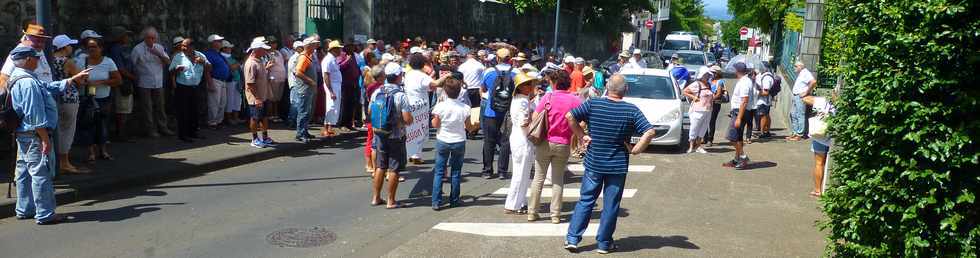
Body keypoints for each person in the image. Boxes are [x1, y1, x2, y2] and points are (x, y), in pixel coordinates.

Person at [563, 74, 657, 254]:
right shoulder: (631, 110)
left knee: (586, 200)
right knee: (611, 204)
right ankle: (604, 243)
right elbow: (650, 132)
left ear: (607, 86)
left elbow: (570, 116)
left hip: (594, 162)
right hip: (617, 165)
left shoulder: (593, 104)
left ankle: (573, 238)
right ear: (626, 90)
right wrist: (636, 150)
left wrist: (582, 136)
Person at [9, 46, 91, 225]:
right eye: (36, 58)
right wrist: (45, 138)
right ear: (29, 60)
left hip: (23, 133)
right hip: (34, 134)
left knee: (23, 172)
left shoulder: (18, 77)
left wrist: (72, 79)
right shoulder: (28, 82)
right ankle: (46, 213)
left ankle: (25, 209)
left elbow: (47, 87)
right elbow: (34, 114)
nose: (38, 61)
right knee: (40, 172)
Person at [527, 70, 580, 223]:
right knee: (558, 180)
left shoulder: (548, 96)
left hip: (544, 141)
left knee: (539, 178)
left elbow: (536, 116)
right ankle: (555, 214)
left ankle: (532, 212)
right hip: (563, 143)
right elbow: (582, 119)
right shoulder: (574, 100)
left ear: (554, 82)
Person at [369, 62, 413, 209]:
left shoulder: (377, 92)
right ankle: (391, 200)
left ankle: (376, 198)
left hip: (380, 133)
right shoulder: (401, 96)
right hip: (396, 136)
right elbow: (407, 119)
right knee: (394, 168)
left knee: (380, 166)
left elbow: (370, 112)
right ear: (398, 76)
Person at [430, 77, 474, 210]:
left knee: (439, 172)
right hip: (459, 140)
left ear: (445, 91)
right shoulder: (465, 108)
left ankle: (436, 201)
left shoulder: (440, 106)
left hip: (443, 139)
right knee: (456, 172)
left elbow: (435, 124)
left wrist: (435, 121)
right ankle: (454, 199)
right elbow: (469, 127)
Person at [77, 37, 122, 164]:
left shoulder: (108, 62)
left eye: (94, 47)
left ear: (101, 48)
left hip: (103, 99)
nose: (91, 49)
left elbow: (118, 80)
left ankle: (103, 150)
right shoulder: (81, 61)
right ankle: (91, 152)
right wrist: (83, 82)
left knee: (102, 125)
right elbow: (74, 78)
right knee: (87, 125)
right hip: (86, 99)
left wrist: (101, 82)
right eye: (89, 47)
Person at [49, 35, 90, 174]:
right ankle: (64, 162)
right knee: (68, 129)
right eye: (70, 45)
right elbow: (81, 80)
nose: (71, 47)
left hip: (53, 97)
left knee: (56, 129)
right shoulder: (68, 62)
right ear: (65, 47)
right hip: (68, 98)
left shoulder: (48, 60)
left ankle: (56, 161)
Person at [404, 52, 451, 164]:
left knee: (410, 131)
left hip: (409, 104)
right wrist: (446, 76)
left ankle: (411, 154)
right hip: (420, 106)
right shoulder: (421, 76)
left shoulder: (409, 74)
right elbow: (434, 84)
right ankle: (415, 155)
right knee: (419, 131)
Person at [502, 72, 539, 214]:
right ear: (522, 87)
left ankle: (519, 202)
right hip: (523, 138)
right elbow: (524, 122)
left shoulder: (518, 99)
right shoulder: (523, 101)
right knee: (521, 173)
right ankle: (513, 204)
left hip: (517, 136)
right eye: (528, 85)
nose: (531, 86)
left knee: (520, 172)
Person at [480, 48, 517, 179]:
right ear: (510, 58)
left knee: (489, 141)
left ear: (497, 57)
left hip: (491, 111)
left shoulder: (488, 72)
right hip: (508, 111)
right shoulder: (516, 73)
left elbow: (483, 89)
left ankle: (487, 170)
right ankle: (502, 171)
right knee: (506, 141)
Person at [131, 26, 173, 138]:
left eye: (153, 38)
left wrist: (158, 54)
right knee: (147, 107)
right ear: (144, 38)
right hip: (144, 82)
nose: (151, 40)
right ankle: (150, 130)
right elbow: (133, 65)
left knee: (160, 106)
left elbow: (169, 62)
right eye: (149, 38)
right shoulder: (137, 49)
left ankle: (163, 127)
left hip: (158, 81)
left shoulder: (159, 47)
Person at [168, 37, 211, 143]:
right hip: (182, 87)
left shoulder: (200, 55)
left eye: (185, 46)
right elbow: (170, 71)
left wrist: (203, 62)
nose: (182, 47)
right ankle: (183, 135)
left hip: (196, 87)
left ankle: (193, 132)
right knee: (183, 112)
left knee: (195, 111)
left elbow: (210, 68)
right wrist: (176, 69)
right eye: (182, 45)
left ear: (192, 47)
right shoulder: (178, 56)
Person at [105, 26, 137, 142]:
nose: (128, 38)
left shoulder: (122, 48)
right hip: (122, 82)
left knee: (125, 108)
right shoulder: (116, 50)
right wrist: (133, 77)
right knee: (122, 109)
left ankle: (122, 133)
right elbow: (120, 68)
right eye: (125, 36)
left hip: (126, 80)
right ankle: (121, 134)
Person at [243, 37, 276, 148]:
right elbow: (250, 84)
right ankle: (254, 139)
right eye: (263, 49)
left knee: (264, 117)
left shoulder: (259, 60)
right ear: (257, 50)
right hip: (255, 97)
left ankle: (265, 137)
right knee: (255, 118)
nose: (265, 51)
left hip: (263, 95)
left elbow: (259, 77)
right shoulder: (251, 63)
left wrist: (266, 70)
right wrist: (257, 98)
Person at [1, 23, 54, 90]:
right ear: (27, 38)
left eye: (43, 41)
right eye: (37, 41)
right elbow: (4, 77)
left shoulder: (37, 49)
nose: (40, 44)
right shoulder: (18, 54)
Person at [723, 63, 753, 169]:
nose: (734, 71)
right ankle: (736, 159)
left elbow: (744, 101)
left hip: (740, 112)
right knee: (738, 138)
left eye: (735, 69)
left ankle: (743, 157)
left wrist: (739, 118)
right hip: (738, 111)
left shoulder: (745, 82)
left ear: (738, 70)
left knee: (731, 137)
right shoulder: (745, 80)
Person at [803, 95, 833, 197]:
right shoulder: (841, 107)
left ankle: (817, 190)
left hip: (819, 135)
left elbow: (804, 98)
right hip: (833, 137)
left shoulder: (822, 101)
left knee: (819, 163)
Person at [289, 38, 319, 143]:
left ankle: (304, 131)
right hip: (304, 89)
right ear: (308, 46)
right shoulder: (303, 58)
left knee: (307, 111)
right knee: (303, 112)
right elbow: (298, 72)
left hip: (307, 89)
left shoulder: (307, 57)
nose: (316, 47)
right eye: (314, 45)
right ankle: (300, 133)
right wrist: (310, 81)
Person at [682, 67, 716, 154]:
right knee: (694, 128)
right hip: (697, 110)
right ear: (702, 75)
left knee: (703, 129)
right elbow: (684, 91)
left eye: (708, 75)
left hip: (708, 110)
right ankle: (691, 146)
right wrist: (694, 97)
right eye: (706, 75)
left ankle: (698, 146)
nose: (708, 76)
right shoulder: (696, 84)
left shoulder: (708, 84)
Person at [204, 34, 232, 129]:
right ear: (213, 43)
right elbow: (207, 70)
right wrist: (210, 82)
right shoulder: (208, 54)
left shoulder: (219, 54)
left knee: (222, 103)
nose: (221, 43)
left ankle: (218, 121)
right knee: (214, 103)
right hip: (214, 80)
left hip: (222, 81)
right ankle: (212, 122)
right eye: (218, 41)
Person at [362, 65, 385, 173]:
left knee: (371, 140)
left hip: (372, 116)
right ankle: (370, 164)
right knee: (373, 141)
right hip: (375, 117)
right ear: (379, 76)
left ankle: (371, 164)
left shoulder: (373, 86)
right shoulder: (376, 87)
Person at [320, 40, 344, 137]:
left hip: (336, 85)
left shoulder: (333, 59)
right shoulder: (328, 60)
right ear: (334, 49)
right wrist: (330, 91)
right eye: (339, 49)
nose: (340, 51)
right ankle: (325, 128)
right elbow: (326, 75)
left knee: (335, 107)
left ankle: (330, 127)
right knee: (330, 106)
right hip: (331, 85)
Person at [789, 61, 816, 141]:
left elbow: (813, 81)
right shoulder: (801, 73)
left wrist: (806, 92)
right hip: (796, 96)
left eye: (795, 66)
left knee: (800, 114)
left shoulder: (805, 73)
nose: (794, 68)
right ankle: (795, 132)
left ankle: (799, 134)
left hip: (800, 96)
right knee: (793, 114)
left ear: (800, 66)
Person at [221, 40, 244, 126]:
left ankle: (236, 117)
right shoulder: (223, 57)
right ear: (224, 48)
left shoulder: (230, 57)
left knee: (237, 100)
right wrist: (238, 64)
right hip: (230, 81)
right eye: (229, 47)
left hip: (237, 80)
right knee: (230, 100)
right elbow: (231, 67)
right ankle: (229, 119)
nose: (230, 49)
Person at [265, 36, 288, 124]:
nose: (274, 44)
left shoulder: (278, 52)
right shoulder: (267, 54)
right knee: (271, 98)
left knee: (277, 98)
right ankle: (270, 116)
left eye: (275, 42)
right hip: (272, 78)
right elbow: (267, 66)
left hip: (281, 78)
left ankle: (276, 114)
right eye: (271, 43)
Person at [704, 65, 727, 146]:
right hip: (707, 102)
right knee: (705, 120)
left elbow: (719, 94)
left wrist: (710, 99)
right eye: (711, 73)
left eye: (714, 73)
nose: (712, 74)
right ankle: (705, 138)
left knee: (711, 121)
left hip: (715, 103)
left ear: (717, 73)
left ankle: (710, 139)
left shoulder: (720, 82)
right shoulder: (709, 80)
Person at [755, 62, 774, 138]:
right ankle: (767, 131)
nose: (759, 68)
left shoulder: (767, 77)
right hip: (764, 100)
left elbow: (766, 92)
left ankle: (763, 132)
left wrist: (756, 93)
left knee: (763, 115)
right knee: (766, 115)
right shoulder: (762, 74)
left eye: (761, 66)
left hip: (764, 100)